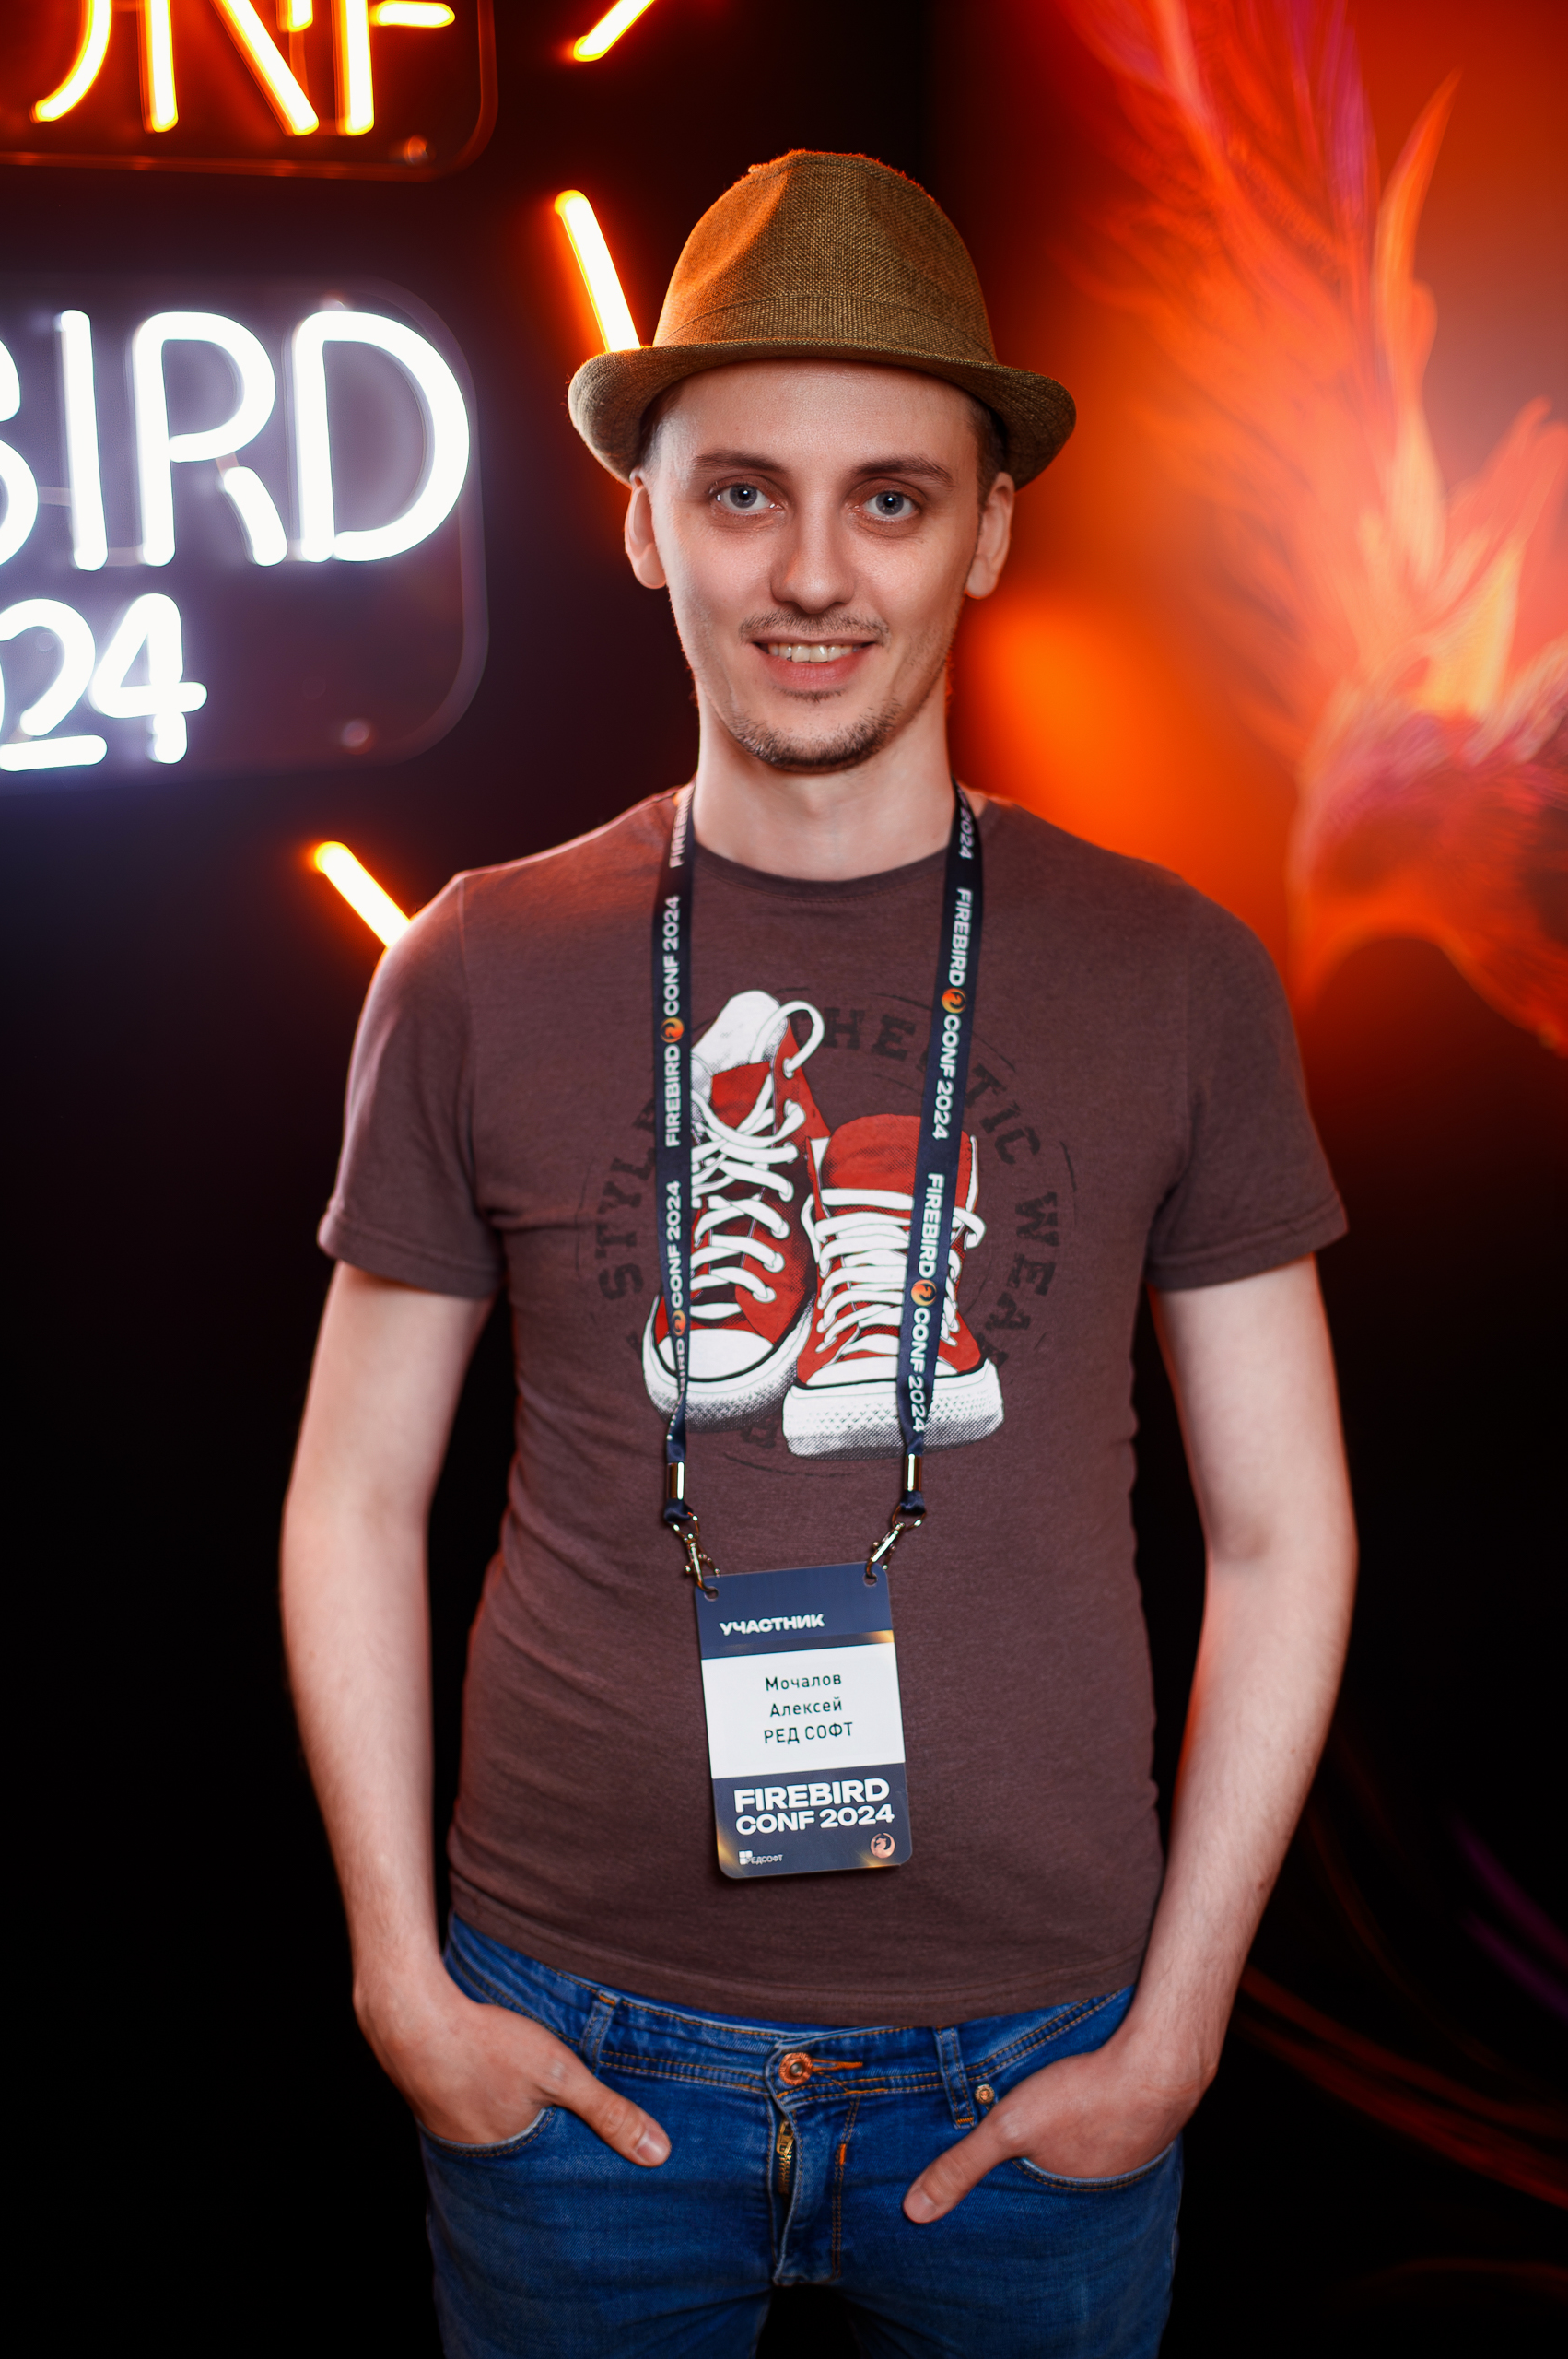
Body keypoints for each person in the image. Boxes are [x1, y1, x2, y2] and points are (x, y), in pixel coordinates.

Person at [282, 150, 1356, 2358]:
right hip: (568, 2036)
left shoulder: (1170, 972)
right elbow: (351, 1493)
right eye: (741, 491)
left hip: (1041, 2040)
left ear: (987, 530)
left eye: (887, 498)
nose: (808, 571)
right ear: (642, 521)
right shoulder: (474, 961)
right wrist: (400, 1979)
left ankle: (868, 1257)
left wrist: (1176, 2023)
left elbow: (1282, 1523)